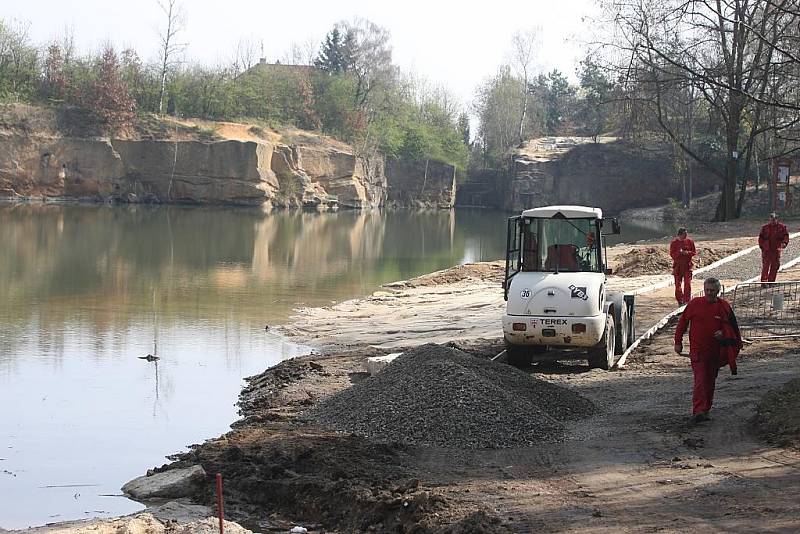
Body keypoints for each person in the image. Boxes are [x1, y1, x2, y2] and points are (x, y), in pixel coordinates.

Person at [674, 277, 742, 424]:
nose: (709, 293)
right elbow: (682, 323)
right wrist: (678, 342)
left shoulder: (724, 307)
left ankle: (706, 409)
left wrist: (723, 334)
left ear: (718, 291)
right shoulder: (694, 304)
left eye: (712, 291)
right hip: (698, 351)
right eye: (707, 290)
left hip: (715, 352)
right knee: (700, 379)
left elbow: (732, 328)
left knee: (710, 380)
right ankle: (698, 410)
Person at [759, 212, 789, 283]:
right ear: (769, 219)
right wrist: (762, 247)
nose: (773, 221)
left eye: (774, 219)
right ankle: (764, 282)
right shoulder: (765, 228)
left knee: (775, 266)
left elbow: (786, 236)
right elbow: (761, 238)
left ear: (777, 219)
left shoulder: (782, 227)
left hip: (776, 249)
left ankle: (771, 281)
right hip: (767, 249)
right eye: (771, 219)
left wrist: (784, 243)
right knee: (766, 266)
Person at [669, 227, 696, 305]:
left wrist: (687, 253)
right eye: (684, 234)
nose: (686, 235)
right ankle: (680, 300)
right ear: (680, 235)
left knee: (688, 283)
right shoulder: (674, 243)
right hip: (678, 266)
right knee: (678, 284)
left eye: (686, 234)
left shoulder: (690, 241)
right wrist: (679, 253)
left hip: (687, 265)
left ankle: (687, 300)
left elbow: (693, 252)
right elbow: (672, 254)